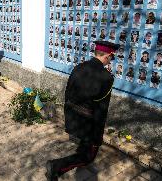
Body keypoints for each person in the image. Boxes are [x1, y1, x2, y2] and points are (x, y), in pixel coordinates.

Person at [45, 41, 120, 181]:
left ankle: (80, 152)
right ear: (108, 56)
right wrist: (98, 136)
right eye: (111, 58)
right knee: (89, 157)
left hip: (73, 116)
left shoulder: (79, 67)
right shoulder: (106, 78)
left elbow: (68, 92)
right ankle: (56, 167)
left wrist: (68, 114)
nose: (110, 61)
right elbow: (101, 110)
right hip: (88, 122)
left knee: (84, 146)